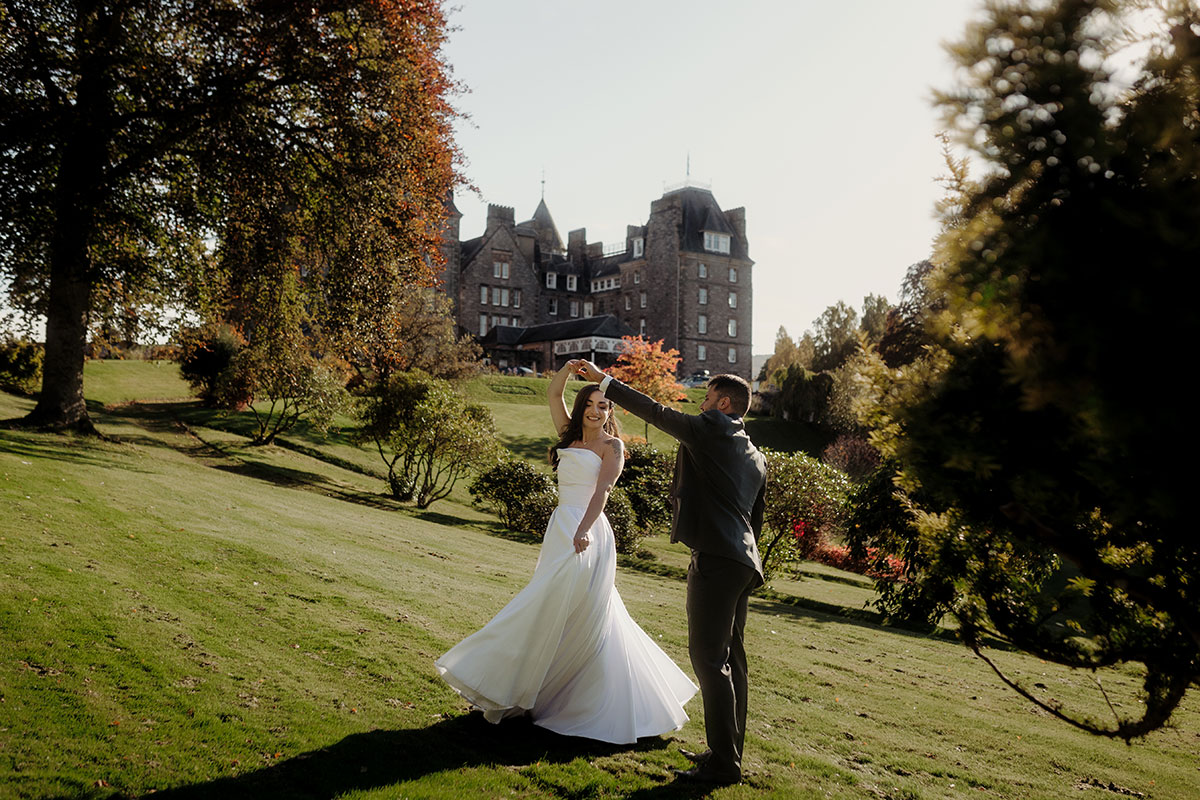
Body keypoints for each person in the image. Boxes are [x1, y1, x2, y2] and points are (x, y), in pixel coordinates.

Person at [435, 359, 698, 744]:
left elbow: (603, 491)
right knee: (552, 607)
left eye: (603, 405)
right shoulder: (568, 435)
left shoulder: (613, 446)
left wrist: (584, 530)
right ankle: (534, 691)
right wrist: (569, 369)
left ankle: (581, 699)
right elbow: (553, 392)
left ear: (610, 411)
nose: (596, 410)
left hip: (587, 532)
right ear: (582, 408)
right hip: (560, 528)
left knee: (574, 609)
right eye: (590, 404)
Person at [578, 361, 767, 785]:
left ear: (722, 403)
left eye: (704, 399)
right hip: (742, 562)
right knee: (733, 660)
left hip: (716, 561)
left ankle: (722, 764)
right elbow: (756, 519)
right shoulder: (755, 453)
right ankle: (727, 756)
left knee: (709, 658)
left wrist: (603, 380)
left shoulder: (711, 428)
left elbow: (656, 413)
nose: (698, 407)